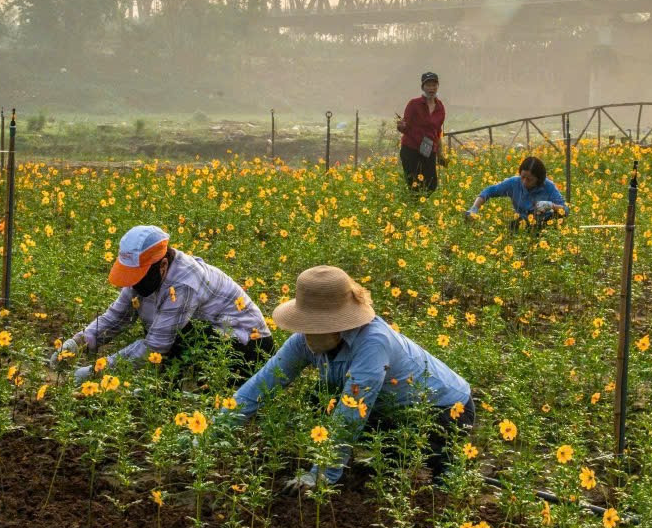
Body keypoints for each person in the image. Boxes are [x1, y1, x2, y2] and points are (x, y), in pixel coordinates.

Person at [230, 265, 474, 489]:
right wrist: (213, 431)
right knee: (319, 399)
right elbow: (262, 384)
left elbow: (352, 412)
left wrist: (320, 474)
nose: (307, 333)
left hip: (444, 410)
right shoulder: (302, 342)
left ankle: (406, 459)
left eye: (315, 325)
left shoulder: (373, 342)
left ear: (338, 323)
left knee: (445, 486)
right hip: (389, 407)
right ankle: (384, 456)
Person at [52, 225, 273, 382]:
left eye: (139, 276)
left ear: (163, 264)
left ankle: (185, 388)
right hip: (209, 337)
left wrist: (96, 371)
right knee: (176, 336)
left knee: (178, 338)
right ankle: (167, 385)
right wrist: (78, 342)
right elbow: (117, 317)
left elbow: (155, 346)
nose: (134, 283)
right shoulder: (143, 275)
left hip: (245, 348)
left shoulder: (184, 282)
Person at [464, 156, 569, 230]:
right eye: (523, 177)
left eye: (529, 179)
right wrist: (474, 208)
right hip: (523, 221)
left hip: (546, 224)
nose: (524, 182)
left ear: (539, 179)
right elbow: (489, 191)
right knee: (511, 232)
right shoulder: (514, 183)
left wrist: (551, 205)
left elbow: (566, 210)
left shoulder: (548, 186)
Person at [397, 71, 446, 192]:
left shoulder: (440, 107)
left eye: (434, 85)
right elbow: (405, 127)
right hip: (411, 149)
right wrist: (401, 126)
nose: (431, 88)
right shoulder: (414, 104)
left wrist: (440, 154)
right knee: (414, 184)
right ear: (423, 87)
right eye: (428, 85)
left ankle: (420, 206)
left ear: (437, 86)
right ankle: (415, 208)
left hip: (428, 149)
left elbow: (438, 131)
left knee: (432, 185)